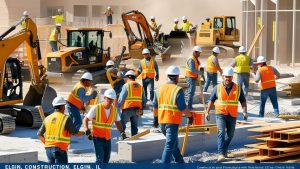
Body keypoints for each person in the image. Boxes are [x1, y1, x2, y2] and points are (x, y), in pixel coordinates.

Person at [205, 67, 247, 162]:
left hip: (232, 115)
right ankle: (221, 154)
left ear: (232, 77)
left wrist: (245, 111)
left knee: (231, 134)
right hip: (220, 114)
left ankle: (224, 150)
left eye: (229, 77)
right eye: (226, 77)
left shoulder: (238, 88)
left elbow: (243, 101)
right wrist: (207, 111)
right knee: (221, 132)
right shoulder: (217, 88)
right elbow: (211, 100)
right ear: (223, 77)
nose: (227, 78)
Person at [153, 65, 193, 163]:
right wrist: (190, 116)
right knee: (170, 145)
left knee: (173, 143)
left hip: (161, 121)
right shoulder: (177, 90)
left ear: (168, 76)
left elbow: (155, 106)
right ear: (177, 77)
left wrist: (155, 119)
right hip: (172, 121)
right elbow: (182, 107)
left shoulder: (159, 89)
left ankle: (179, 161)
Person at [83, 89, 126, 163]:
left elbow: (118, 122)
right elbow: (85, 120)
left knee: (106, 159)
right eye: (109, 99)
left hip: (107, 138)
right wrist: (86, 130)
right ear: (104, 98)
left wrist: (122, 132)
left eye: (112, 100)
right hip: (97, 137)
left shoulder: (114, 110)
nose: (110, 101)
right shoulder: (96, 108)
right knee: (100, 159)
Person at [37, 96, 84, 163]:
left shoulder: (47, 118)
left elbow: (39, 135)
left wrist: (47, 144)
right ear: (62, 107)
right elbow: (75, 133)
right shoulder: (65, 118)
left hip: (48, 151)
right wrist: (85, 132)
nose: (65, 108)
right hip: (59, 150)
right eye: (64, 106)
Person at [117, 70, 146, 136]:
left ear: (127, 77)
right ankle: (135, 137)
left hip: (127, 109)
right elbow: (144, 99)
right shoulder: (140, 86)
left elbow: (121, 98)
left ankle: (123, 135)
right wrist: (142, 108)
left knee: (122, 124)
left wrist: (118, 107)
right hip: (137, 110)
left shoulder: (126, 85)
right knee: (134, 126)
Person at [185, 46, 203, 110]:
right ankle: (189, 107)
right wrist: (200, 73)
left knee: (191, 92)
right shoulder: (191, 59)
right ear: (195, 52)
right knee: (191, 92)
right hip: (190, 77)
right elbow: (192, 69)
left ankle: (188, 106)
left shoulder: (195, 58)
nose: (199, 54)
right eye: (199, 53)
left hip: (193, 77)